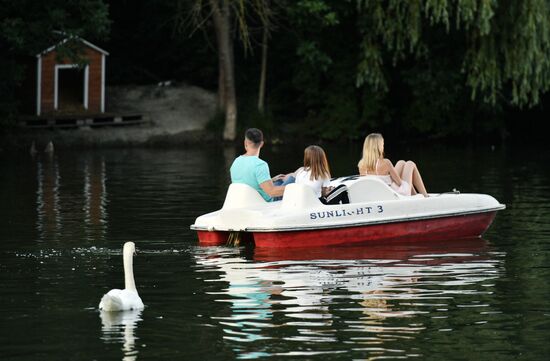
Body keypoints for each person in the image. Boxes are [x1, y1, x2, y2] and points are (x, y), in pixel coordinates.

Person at [357, 133, 428, 197]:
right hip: (394, 194)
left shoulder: (361, 165)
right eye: (382, 144)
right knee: (410, 164)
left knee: (401, 162)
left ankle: (414, 196)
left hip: (378, 193)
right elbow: (399, 183)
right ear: (379, 147)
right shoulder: (386, 162)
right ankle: (425, 196)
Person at [230, 128, 286, 201]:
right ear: (261, 144)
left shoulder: (236, 162)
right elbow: (272, 192)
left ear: (245, 142)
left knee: (279, 181)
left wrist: (270, 180)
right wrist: (294, 188)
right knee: (292, 180)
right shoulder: (260, 165)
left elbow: (247, 182)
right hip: (264, 203)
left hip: (244, 201)